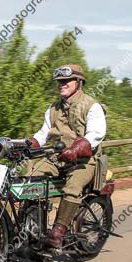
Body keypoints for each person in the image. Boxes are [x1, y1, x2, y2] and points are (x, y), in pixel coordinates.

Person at [26, 64, 107, 249]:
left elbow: (95, 134)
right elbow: (43, 133)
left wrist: (76, 150)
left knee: (73, 186)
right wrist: (25, 144)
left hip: (84, 161)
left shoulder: (91, 106)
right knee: (31, 178)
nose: (61, 84)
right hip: (57, 158)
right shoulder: (53, 108)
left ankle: (57, 233)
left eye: (66, 81)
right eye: (59, 81)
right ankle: (33, 227)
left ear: (78, 82)